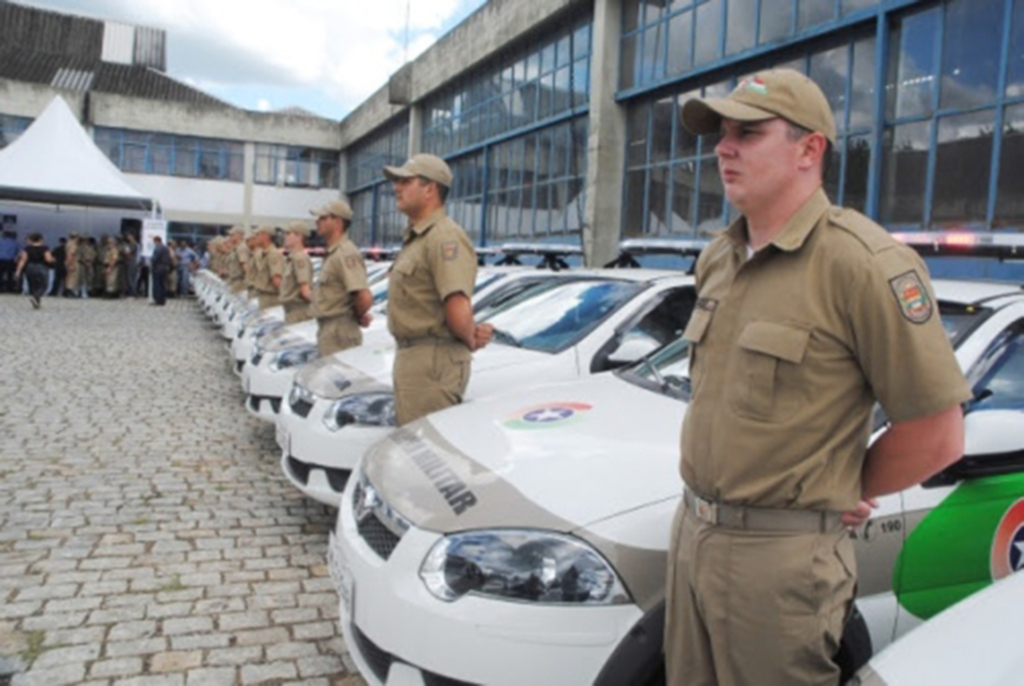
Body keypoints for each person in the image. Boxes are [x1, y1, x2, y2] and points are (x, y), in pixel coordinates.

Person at [665, 69, 971, 686]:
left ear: (810, 150)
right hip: (691, 533)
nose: (724, 148)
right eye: (722, 133)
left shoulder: (861, 263)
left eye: (748, 133)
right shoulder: (718, 258)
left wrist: (841, 482)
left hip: (778, 564)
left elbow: (938, 434)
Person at [383, 154, 493, 426]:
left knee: (423, 452)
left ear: (430, 188)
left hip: (431, 361)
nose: (397, 187)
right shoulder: (421, 237)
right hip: (416, 357)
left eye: (406, 181)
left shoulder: (444, 237)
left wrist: (469, 337)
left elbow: (457, 304)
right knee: (413, 446)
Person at [310, 199, 372, 356]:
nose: (318, 222)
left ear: (337, 222)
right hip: (330, 328)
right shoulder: (333, 253)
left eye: (324, 218)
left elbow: (363, 296)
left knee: (335, 378)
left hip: (339, 330)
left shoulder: (345, 253)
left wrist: (356, 316)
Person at [279, 221, 315, 324]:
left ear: (299, 236)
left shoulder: (300, 258)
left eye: (288, 234)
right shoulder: (292, 258)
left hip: (299, 312)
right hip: (292, 311)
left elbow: (305, 290)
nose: (285, 237)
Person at [14, 233, 55, 308]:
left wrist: (18, 271)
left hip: (30, 267)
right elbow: (48, 259)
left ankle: (36, 300)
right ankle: (37, 296)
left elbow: (23, 260)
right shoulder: (44, 248)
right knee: (43, 285)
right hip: (41, 267)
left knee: (32, 285)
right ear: (40, 239)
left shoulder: (27, 249)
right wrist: (53, 260)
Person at [251, 226, 283, 309]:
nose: (256, 237)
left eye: (258, 234)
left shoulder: (273, 254)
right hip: (264, 296)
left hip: (271, 298)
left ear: (266, 236)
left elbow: (277, 279)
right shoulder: (263, 254)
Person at [150, 236, 171, 306]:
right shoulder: (165, 248)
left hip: (158, 268)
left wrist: (151, 261)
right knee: (162, 284)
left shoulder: (158, 248)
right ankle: (162, 299)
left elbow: (155, 258)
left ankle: (158, 300)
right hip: (164, 268)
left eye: (154, 242)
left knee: (157, 284)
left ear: (157, 241)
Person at [65, 232, 80, 297]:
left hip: (69, 261)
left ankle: (68, 290)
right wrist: (71, 264)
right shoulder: (73, 244)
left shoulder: (68, 243)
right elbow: (71, 254)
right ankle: (69, 291)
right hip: (72, 261)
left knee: (69, 276)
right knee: (72, 277)